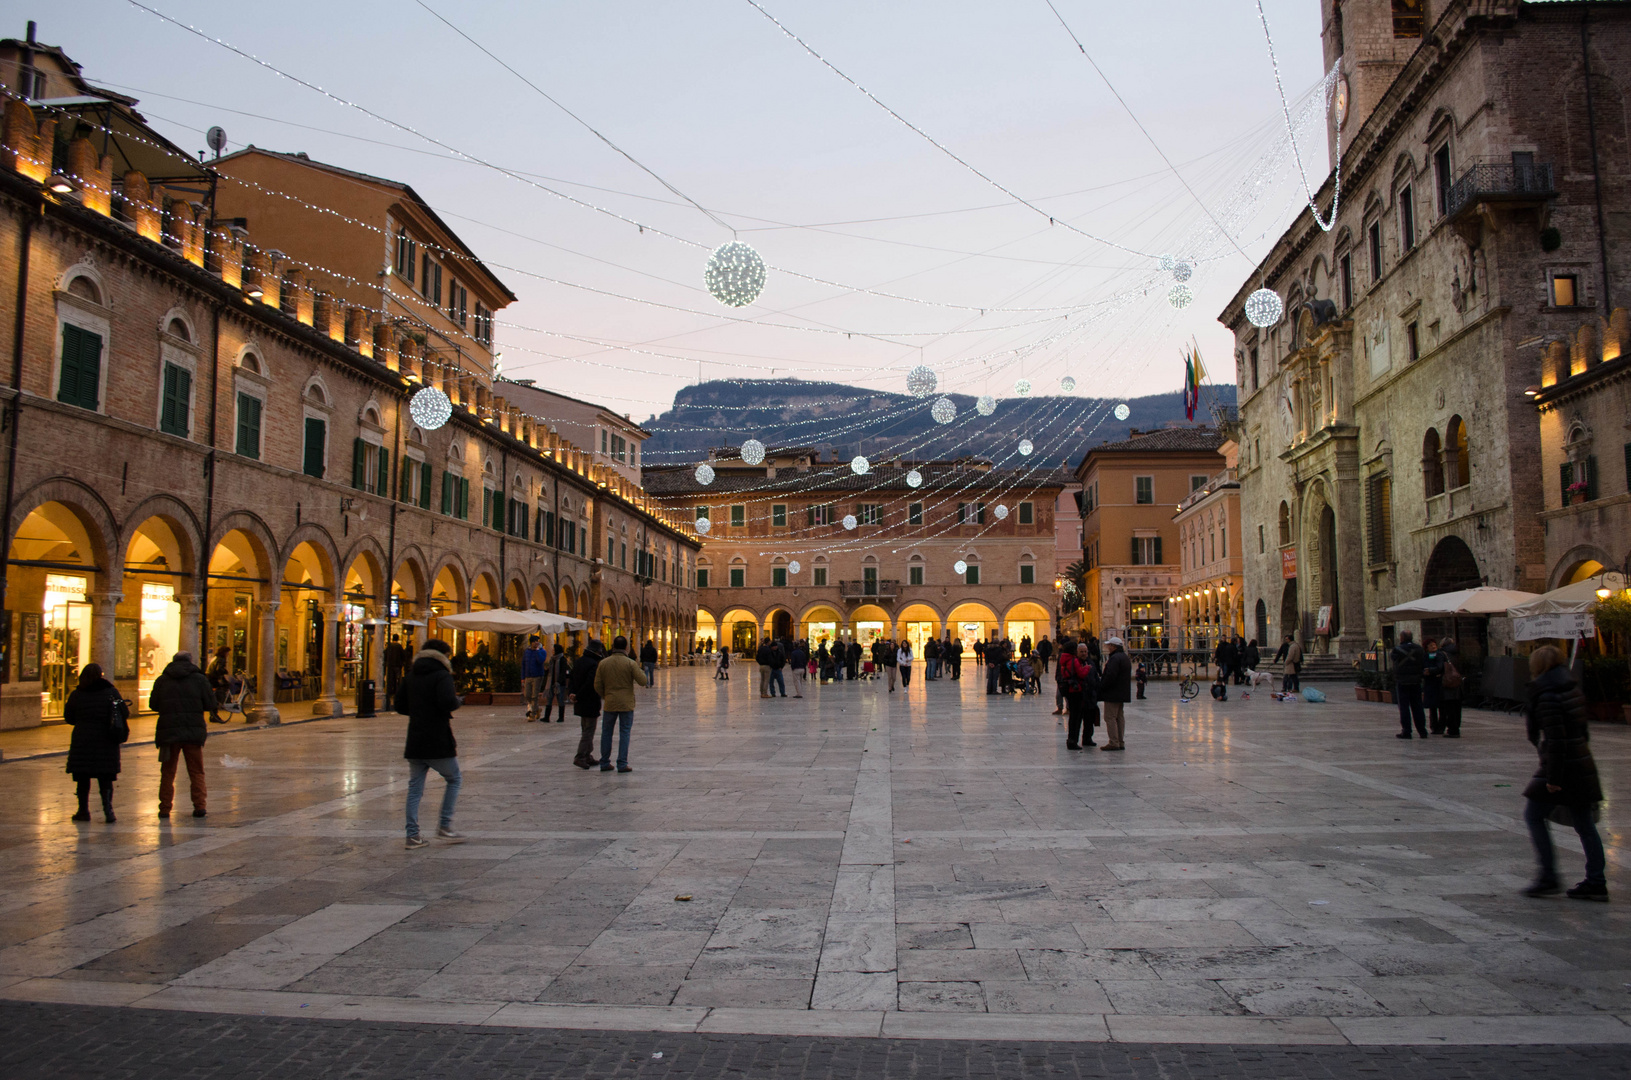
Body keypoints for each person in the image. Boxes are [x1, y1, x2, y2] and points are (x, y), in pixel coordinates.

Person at [1520, 645, 1606, 901]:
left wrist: (1554, 779)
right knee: (1585, 824)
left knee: (1534, 814)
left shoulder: (1547, 694)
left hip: (1561, 765)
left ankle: (1549, 876)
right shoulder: (1571, 687)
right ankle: (1596, 880)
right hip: (1580, 761)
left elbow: (1556, 739)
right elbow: (1583, 730)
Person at [394, 638, 464, 847]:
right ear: (443, 655)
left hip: (415, 738)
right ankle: (444, 826)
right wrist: (458, 701)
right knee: (454, 779)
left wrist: (418, 711)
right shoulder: (442, 675)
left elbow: (399, 705)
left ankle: (412, 835)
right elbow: (446, 702)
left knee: (415, 788)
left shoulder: (411, 675)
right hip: (438, 739)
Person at [150, 651, 215, 820]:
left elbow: (153, 704)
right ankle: (200, 806)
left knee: (168, 772)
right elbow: (210, 704)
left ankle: (165, 808)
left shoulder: (162, 680)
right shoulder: (200, 679)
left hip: (169, 732)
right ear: (190, 661)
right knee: (196, 771)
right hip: (192, 732)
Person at [65, 662, 125, 823]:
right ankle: (108, 810)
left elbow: (68, 717)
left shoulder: (77, 694)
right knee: (105, 777)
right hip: (106, 740)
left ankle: (83, 811)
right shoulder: (111, 692)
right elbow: (124, 712)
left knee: (82, 777)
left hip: (82, 740)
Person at [593, 635, 648, 773]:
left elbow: (597, 684)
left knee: (606, 732)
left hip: (610, 702)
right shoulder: (630, 663)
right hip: (626, 703)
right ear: (626, 648)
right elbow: (643, 681)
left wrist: (606, 695)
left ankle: (604, 762)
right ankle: (622, 763)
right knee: (624, 733)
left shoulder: (604, 663)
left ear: (613, 647)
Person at [569, 639, 605, 769]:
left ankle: (588, 755)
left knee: (586, 728)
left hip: (579, 701)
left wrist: (573, 694)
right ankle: (580, 756)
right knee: (588, 730)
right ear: (597, 651)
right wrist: (578, 695)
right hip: (589, 702)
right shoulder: (594, 664)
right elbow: (590, 684)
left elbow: (572, 679)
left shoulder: (579, 661)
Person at [1060, 643, 1099, 749]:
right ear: (1076, 652)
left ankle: (1087, 738)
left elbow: (1095, 676)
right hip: (1078, 693)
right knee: (1076, 718)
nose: (1084, 653)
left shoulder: (1089, 662)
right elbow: (1080, 674)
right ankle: (1073, 740)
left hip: (1089, 694)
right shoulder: (1074, 662)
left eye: (1085, 651)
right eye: (1081, 651)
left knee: (1089, 718)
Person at [1391, 631, 1428, 739]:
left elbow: (1393, 659)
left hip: (1402, 681)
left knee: (1404, 707)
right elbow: (1423, 661)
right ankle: (1422, 731)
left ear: (1402, 638)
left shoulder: (1397, 649)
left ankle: (1407, 731)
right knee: (1418, 707)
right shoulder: (1419, 649)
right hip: (1416, 681)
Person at [1099, 637, 1131, 752]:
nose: (1108, 648)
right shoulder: (1124, 657)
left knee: (1110, 717)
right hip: (1121, 692)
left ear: (1114, 646)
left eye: (1109, 646)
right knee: (1119, 717)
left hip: (1113, 692)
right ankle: (1120, 741)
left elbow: (1110, 676)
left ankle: (1114, 742)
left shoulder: (1114, 658)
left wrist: (1102, 687)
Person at [1437, 637, 1464, 738]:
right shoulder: (1457, 653)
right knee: (1457, 708)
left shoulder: (1442, 654)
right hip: (1457, 684)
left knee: (1449, 708)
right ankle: (1456, 728)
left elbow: (1440, 668)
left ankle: (1452, 729)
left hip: (1448, 684)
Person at [521, 635, 548, 721]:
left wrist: (537, 651)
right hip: (528, 676)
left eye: (538, 641)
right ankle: (537, 709)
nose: (536, 643)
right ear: (531, 642)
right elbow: (523, 664)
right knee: (527, 695)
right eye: (535, 641)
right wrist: (523, 677)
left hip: (537, 676)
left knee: (534, 695)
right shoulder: (527, 652)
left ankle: (532, 714)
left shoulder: (542, 651)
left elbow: (540, 660)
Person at [544, 643, 572, 723]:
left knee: (560, 700)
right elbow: (550, 671)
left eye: (554, 649)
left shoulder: (562, 659)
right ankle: (546, 717)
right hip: (551, 683)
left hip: (559, 684)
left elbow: (563, 673)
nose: (552, 651)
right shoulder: (552, 659)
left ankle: (561, 717)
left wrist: (558, 682)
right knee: (549, 699)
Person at [1422, 638, 1445, 734]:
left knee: (1441, 706)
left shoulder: (1439, 654)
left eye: (1434, 644)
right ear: (1426, 647)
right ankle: (1434, 726)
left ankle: (1441, 726)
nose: (1433, 646)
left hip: (1438, 684)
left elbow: (1440, 667)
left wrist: (1430, 671)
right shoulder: (1425, 656)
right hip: (1430, 684)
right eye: (1430, 645)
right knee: (1432, 706)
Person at [205, 645, 231, 724]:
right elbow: (218, 669)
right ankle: (219, 707)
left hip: (209, 678)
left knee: (213, 695)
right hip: (214, 679)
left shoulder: (215, 658)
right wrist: (225, 671)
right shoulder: (221, 659)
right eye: (227, 652)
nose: (228, 654)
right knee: (219, 693)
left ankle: (213, 714)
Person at [384, 633, 407, 700]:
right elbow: (403, 655)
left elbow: (385, 654)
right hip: (397, 665)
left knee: (390, 678)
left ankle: (390, 691)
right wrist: (402, 663)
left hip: (390, 665)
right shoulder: (399, 646)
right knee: (397, 679)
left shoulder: (389, 646)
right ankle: (396, 691)